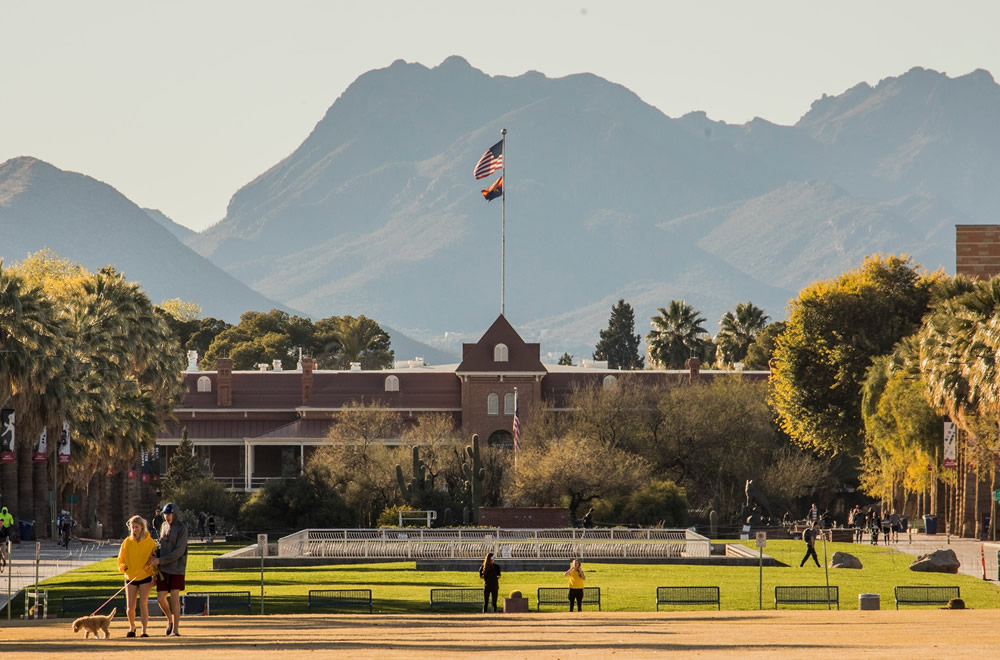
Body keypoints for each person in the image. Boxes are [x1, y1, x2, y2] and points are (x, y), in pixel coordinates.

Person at [151, 502, 188, 637]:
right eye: (165, 514)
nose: (167, 517)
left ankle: (176, 630)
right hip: (163, 568)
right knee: (161, 598)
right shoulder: (163, 526)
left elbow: (179, 551)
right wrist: (156, 555)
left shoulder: (182, 528)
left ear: (175, 514)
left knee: (174, 596)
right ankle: (169, 619)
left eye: (169, 514)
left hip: (177, 568)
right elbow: (162, 544)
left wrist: (161, 560)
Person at [117, 515, 157, 637]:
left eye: (136, 527)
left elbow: (154, 559)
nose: (134, 530)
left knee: (143, 603)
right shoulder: (127, 542)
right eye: (132, 527)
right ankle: (132, 626)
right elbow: (121, 559)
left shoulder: (150, 543)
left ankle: (144, 630)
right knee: (130, 607)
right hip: (130, 577)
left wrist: (154, 574)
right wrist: (125, 568)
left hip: (145, 577)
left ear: (142, 527)